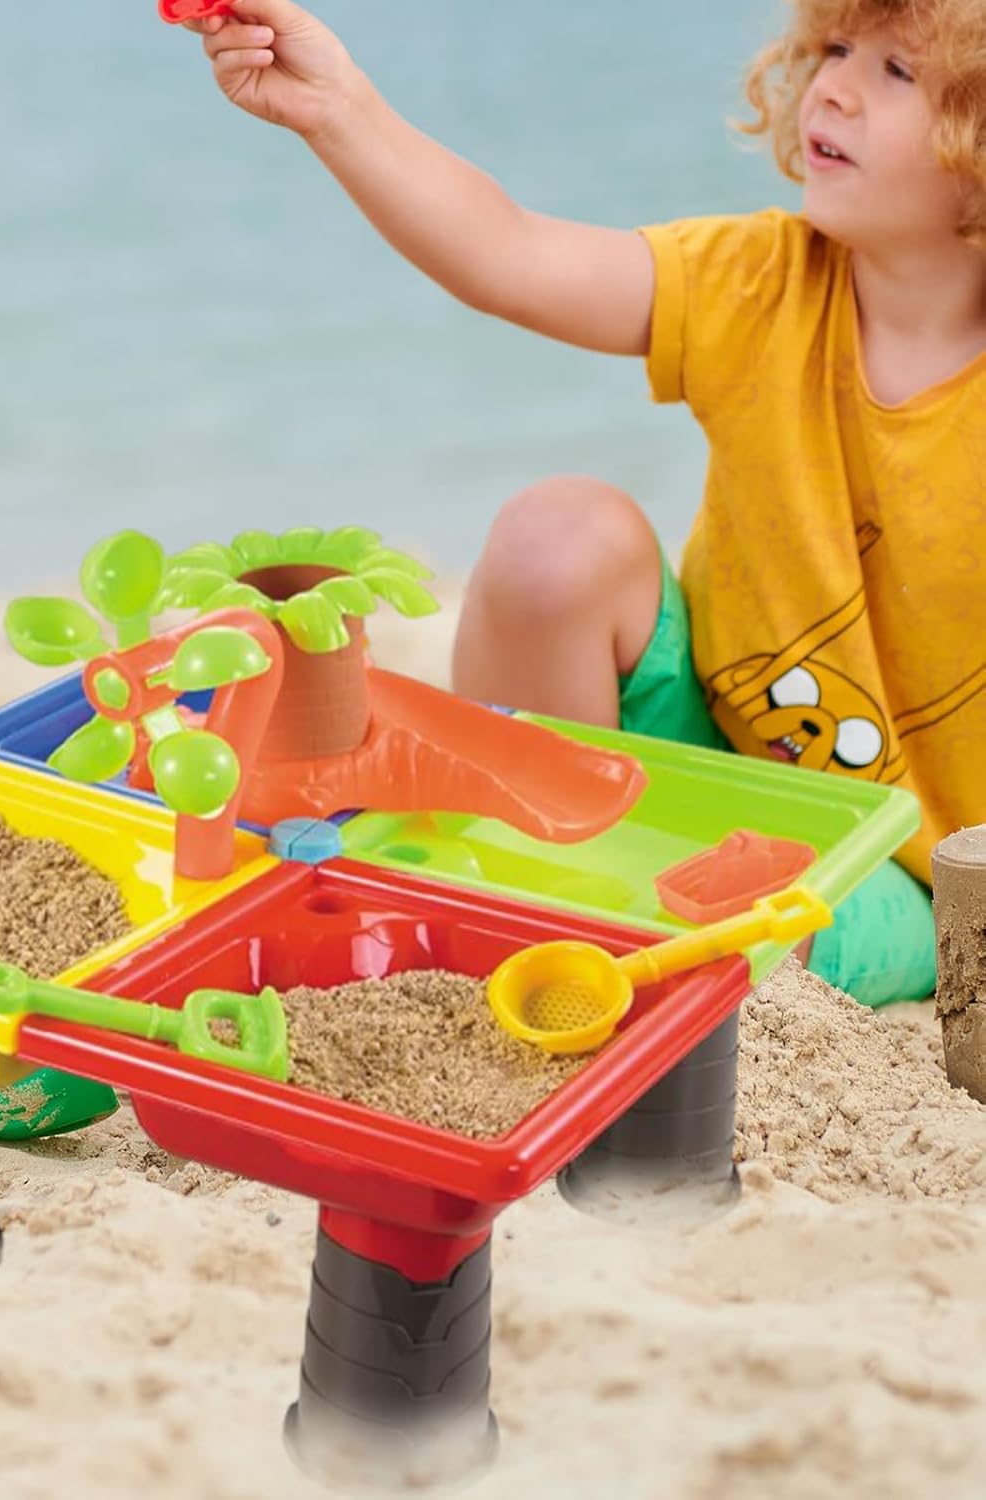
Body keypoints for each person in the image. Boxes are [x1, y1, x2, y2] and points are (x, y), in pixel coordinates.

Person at [181, 0, 986, 1004]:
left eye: (898, 73)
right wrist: (337, 106)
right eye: (834, 50)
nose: (833, 88)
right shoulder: (764, 283)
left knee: (748, 932)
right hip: (709, 745)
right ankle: (526, 859)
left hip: (906, 861)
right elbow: (509, 252)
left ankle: (601, 933)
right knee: (556, 536)